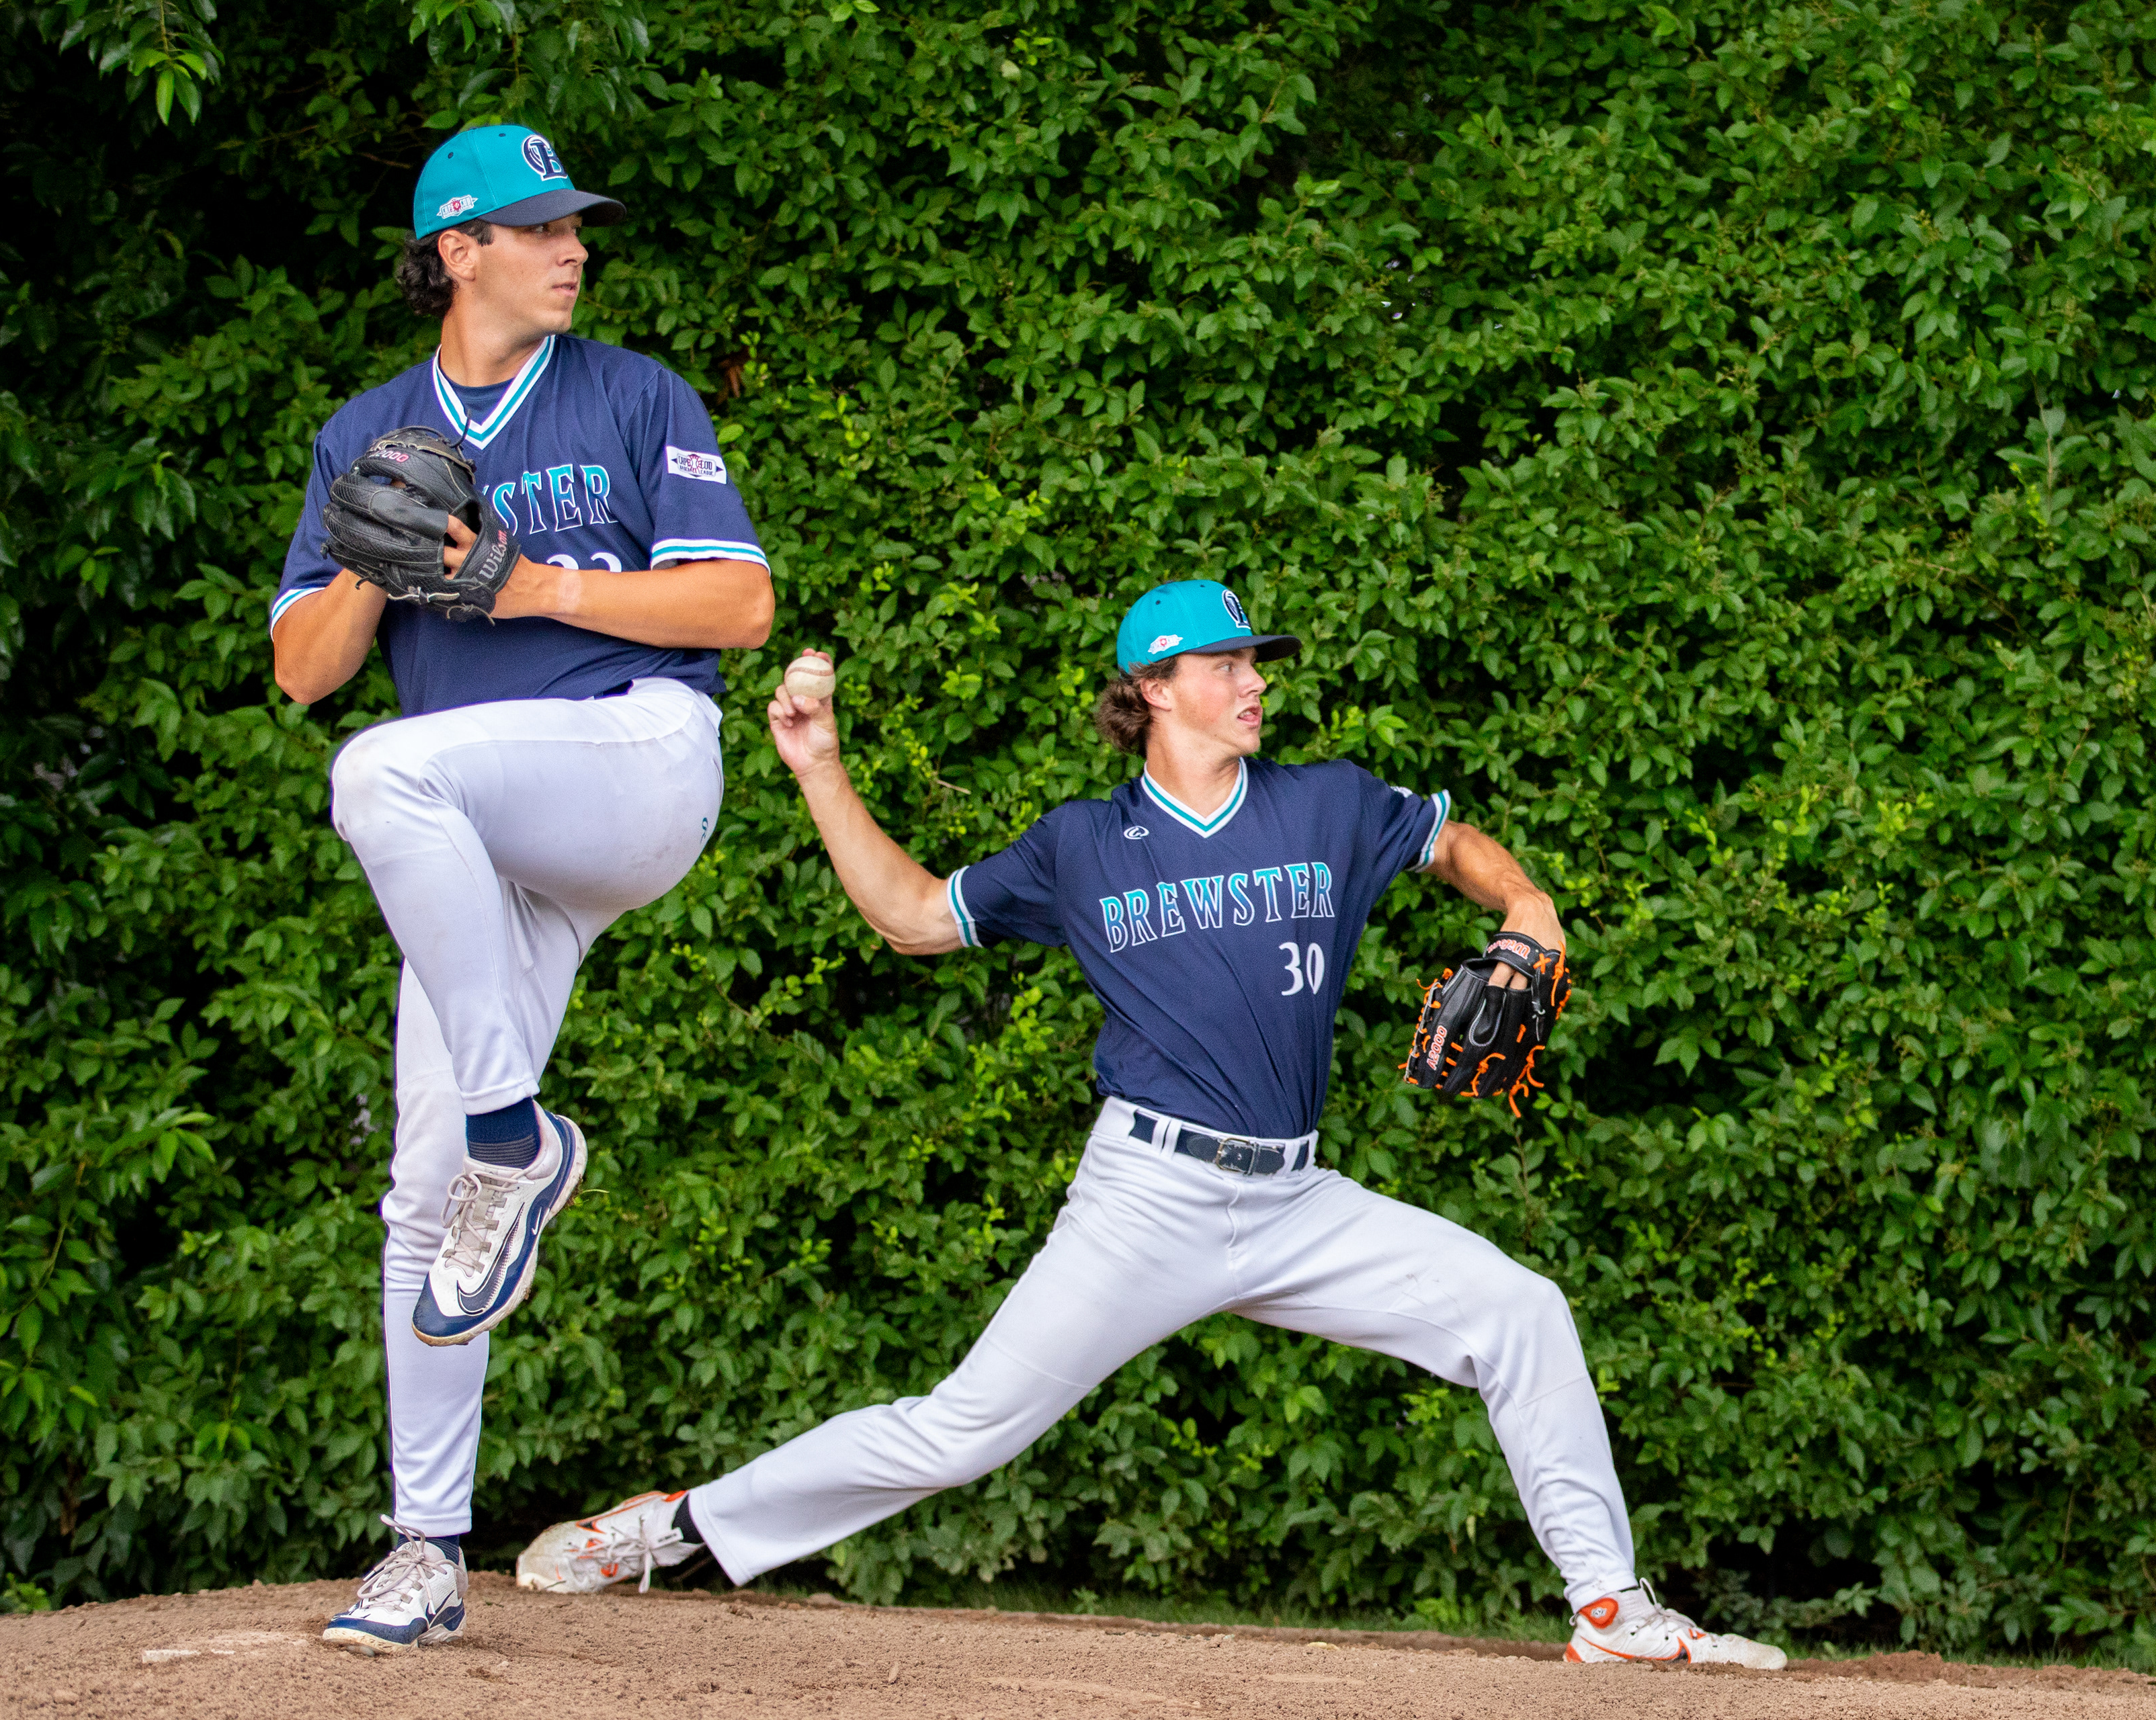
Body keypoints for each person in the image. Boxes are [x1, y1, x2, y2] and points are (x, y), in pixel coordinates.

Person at [515, 581, 1788, 1668]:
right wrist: (819, 769)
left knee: (1523, 1310)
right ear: (1155, 686)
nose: (1253, 682)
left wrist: (1530, 906)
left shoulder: (1329, 805)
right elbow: (910, 916)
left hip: (1296, 1201)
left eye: (1253, 660)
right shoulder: (1084, 846)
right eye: (1225, 663)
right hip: (1147, 1201)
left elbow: (1453, 844)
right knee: (960, 1431)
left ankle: (1611, 1610)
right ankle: (669, 1529)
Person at [267, 123, 776, 1653]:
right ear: (456, 249)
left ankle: (518, 1131)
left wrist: (536, 583)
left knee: (381, 772)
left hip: (630, 762)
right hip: (480, 855)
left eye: (579, 226)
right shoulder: (368, 427)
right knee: (424, 1201)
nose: (575, 247)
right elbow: (303, 671)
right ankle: (426, 1552)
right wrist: (379, 545)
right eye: (541, 226)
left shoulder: (631, 392)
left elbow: (741, 603)